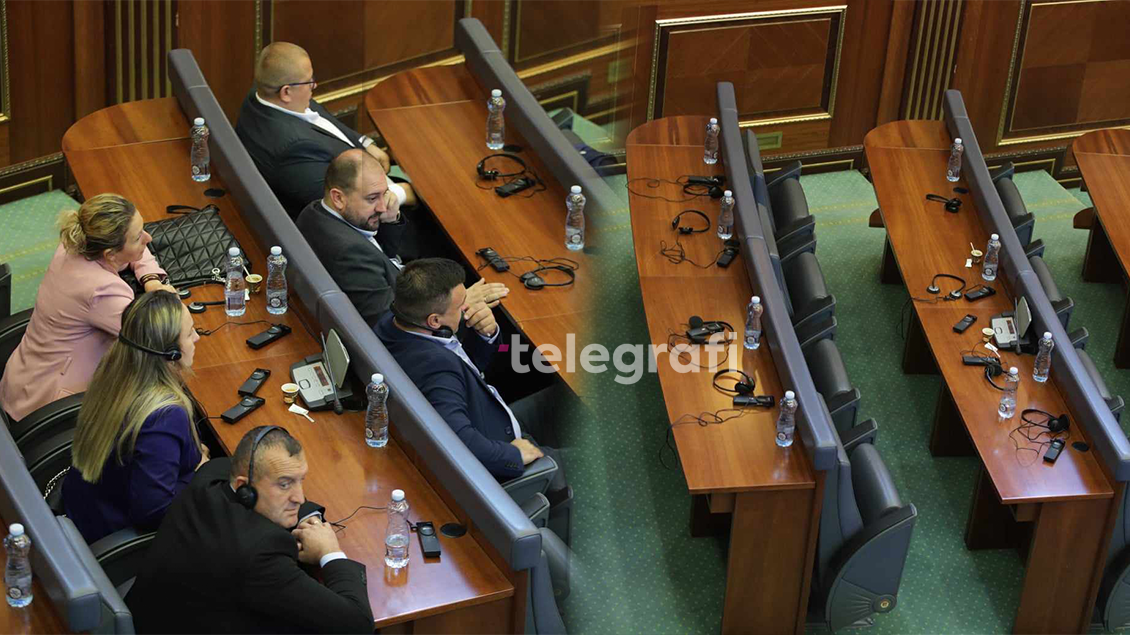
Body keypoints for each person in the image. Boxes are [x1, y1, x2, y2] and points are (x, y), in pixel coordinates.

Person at [125, 425, 372, 634]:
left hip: (150, 617)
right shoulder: (259, 554)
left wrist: (311, 520)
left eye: (301, 480)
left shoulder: (211, 476)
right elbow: (357, 624)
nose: (299, 497)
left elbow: (231, 466)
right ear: (245, 488)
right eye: (284, 484)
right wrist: (330, 552)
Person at [374, 258, 565, 492]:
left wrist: (486, 334)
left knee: (562, 398)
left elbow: (464, 370)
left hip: (491, 414)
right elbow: (458, 441)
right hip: (504, 452)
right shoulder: (437, 368)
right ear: (434, 320)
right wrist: (513, 455)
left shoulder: (393, 323)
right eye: (461, 305)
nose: (469, 307)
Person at [0, 194, 175, 422]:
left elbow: (132, 251)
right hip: (53, 406)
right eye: (138, 237)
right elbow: (156, 340)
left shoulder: (76, 244)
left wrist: (151, 278)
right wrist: (169, 300)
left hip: (21, 381)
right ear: (110, 253)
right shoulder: (102, 291)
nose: (148, 238)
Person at [299, 149, 508, 326]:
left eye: (384, 193)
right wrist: (458, 305)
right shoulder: (349, 254)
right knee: (503, 324)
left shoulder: (315, 211)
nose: (383, 207)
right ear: (338, 198)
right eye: (372, 198)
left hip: (409, 286)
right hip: (421, 325)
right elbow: (391, 324)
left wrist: (390, 221)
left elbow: (382, 255)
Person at [63, 290, 204, 544]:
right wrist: (198, 473)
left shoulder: (115, 373)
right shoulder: (164, 416)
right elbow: (153, 512)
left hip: (89, 511)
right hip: (119, 542)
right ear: (171, 355)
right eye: (190, 333)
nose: (197, 338)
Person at [236, 41, 415, 219]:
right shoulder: (293, 152)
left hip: (368, 176)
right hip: (379, 214)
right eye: (310, 82)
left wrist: (365, 144)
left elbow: (324, 122)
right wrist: (403, 192)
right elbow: (345, 208)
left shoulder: (264, 94)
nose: (315, 85)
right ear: (286, 92)